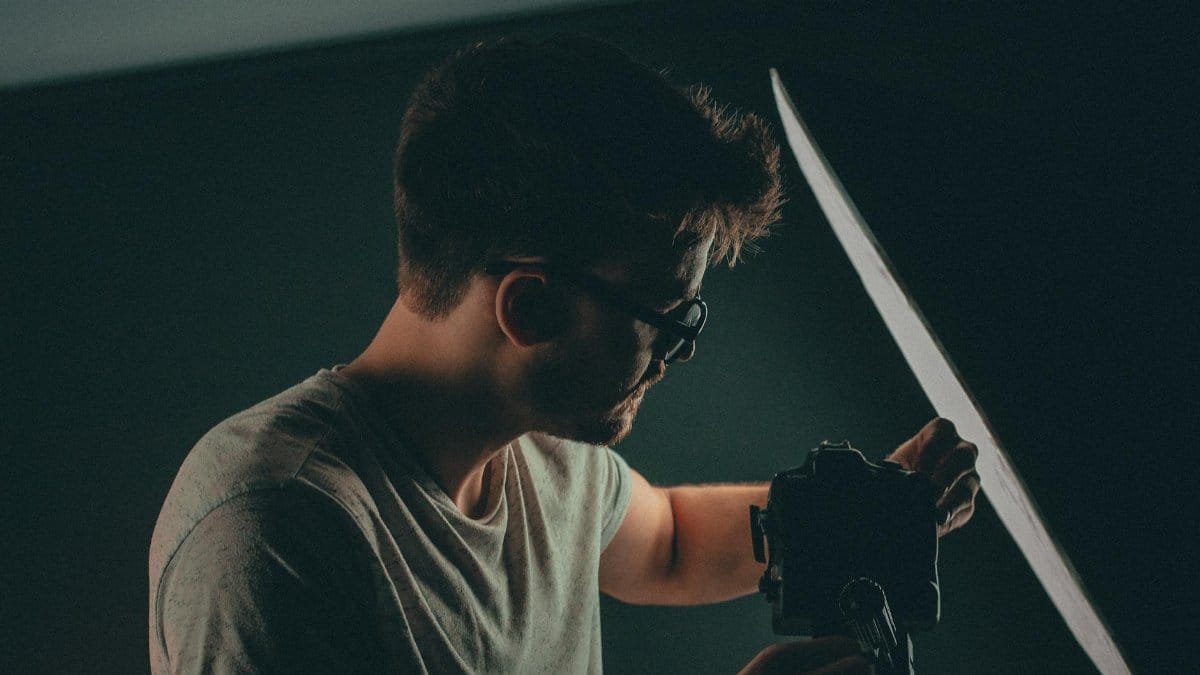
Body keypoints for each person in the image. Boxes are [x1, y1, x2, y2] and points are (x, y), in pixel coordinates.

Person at [149, 36, 981, 674]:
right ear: (531, 305)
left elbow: (669, 542)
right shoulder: (273, 533)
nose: (675, 352)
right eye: (664, 317)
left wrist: (870, 508)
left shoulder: (542, 447)